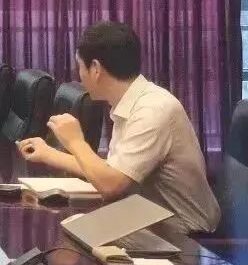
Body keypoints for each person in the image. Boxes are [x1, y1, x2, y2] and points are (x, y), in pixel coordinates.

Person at [17, 21, 221, 234]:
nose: (79, 75)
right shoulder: (131, 101)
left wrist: (75, 141)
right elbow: (113, 170)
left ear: (95, 69)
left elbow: (111, 185)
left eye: (80, 67)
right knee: (67, 233)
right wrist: (49, 154)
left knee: (61, 238)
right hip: (145, 222)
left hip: (184, 235)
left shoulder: (153, 109)